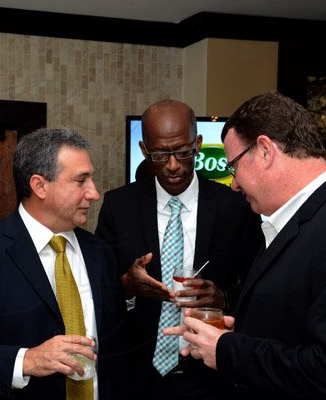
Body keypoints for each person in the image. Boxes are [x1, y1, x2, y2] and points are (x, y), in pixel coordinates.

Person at [164, 91, 326, 399]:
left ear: (264, 150)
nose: (234, 183)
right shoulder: (299, 218)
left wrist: (228, 350)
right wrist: (240, 332)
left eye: (234, 166)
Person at [0, 127, 127, 399]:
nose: (94, 193)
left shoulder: (100, 252)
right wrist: (25, 361)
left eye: (92, 179)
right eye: (81, 181)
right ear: (39, 185)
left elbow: (117, 348)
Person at [95, 99, 263, 399]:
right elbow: (97, 290)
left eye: (183, 152)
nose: (173, 165)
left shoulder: (235, 207)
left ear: (197, 144)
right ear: (145, 151)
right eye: (160, 155)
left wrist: (223, 296)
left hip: (209, 372)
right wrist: (127, 285)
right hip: (134, 371)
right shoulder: (118, 206)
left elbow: (259, 286)